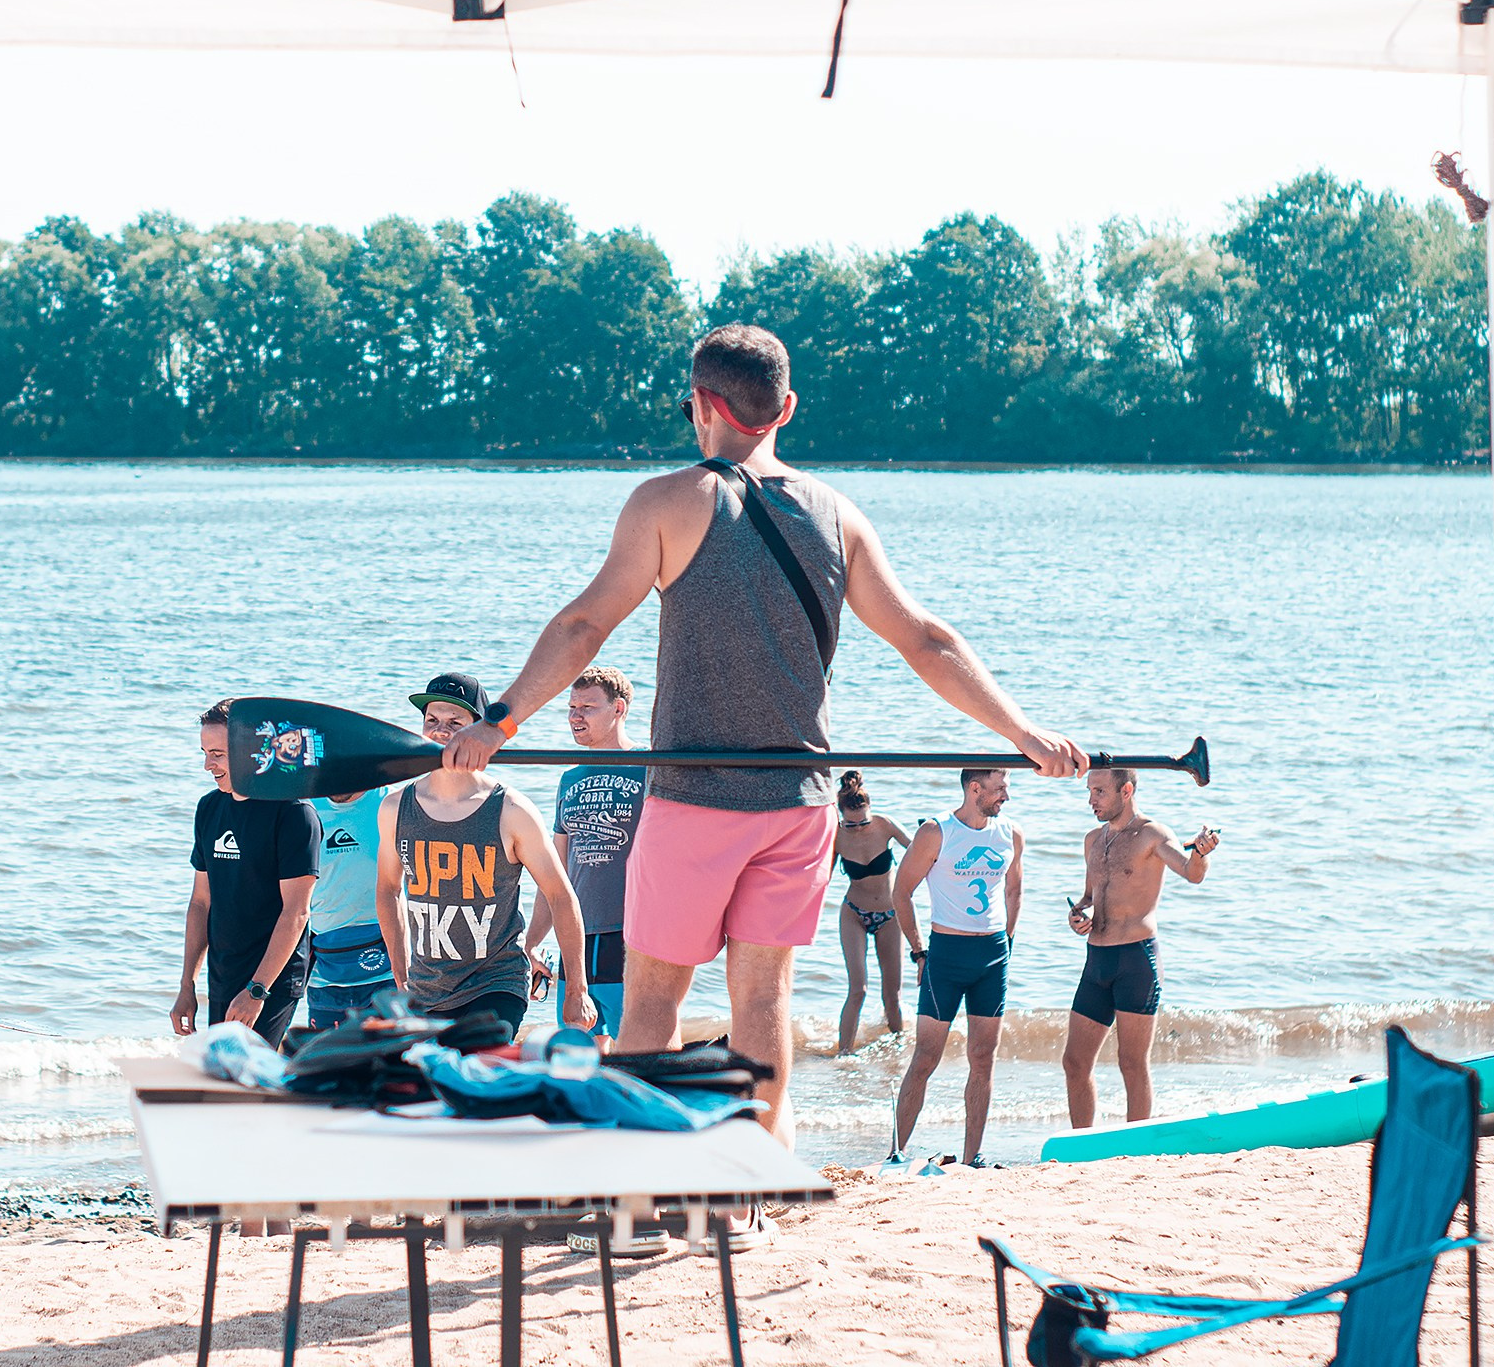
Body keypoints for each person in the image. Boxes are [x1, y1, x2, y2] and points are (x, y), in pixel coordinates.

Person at [441, 322, 1086, 1157]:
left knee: (651, 1006)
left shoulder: (668, 502)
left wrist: (502, 719)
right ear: (785, 408)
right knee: (761, 1006)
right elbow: (926, 640)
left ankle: (644, 1190)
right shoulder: (838, 515)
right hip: (798, 807)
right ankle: (754, 1184)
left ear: (704, 407)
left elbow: (584, 623)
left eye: (690, 408)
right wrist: (1022, 733)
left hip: (693, 802)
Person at [377, 674, 596, 1034]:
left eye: (455, 723)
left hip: (496, 984)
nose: (440, 732)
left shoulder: (511, 810)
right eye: (432, 721)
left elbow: (561, 895)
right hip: (425, 990)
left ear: (478, 732)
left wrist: (576, 988)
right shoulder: (395, 808)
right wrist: (400, 978)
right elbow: (388, 890)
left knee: (477, 1073)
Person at [1061, 769, 1219, 1127]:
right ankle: (1084, 1142)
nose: (1091, 800)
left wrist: (1202, 853)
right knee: (1075, 1062)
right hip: (1096, 960)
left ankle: (1135, 1150)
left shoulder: (1152, 834)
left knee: (1131, 1063)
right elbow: (1089, 897)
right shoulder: (1092, 840)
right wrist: (1077, 915)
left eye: (1099, 792)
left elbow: (1192, 872)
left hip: (1136, 961)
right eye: (1089, 791)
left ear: (1126, 790)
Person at [890, 769, 1023, 1168]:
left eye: (1007, 789)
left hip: (993, 955)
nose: (1006, 797)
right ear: (974, 788)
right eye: (1000, 789)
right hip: (945, 955)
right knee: (925, 1057)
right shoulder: (936, 832)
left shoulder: (1010, 834)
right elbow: (901, 892)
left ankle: (971, 1158)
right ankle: (895, 1152)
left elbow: (1015, 889)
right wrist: (918, 951)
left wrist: (1008, 944)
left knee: (984, 1057)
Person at [173, 698, 316, 1043]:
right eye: (204, 753)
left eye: (218, 754)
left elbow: (296, 912)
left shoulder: (294, 813)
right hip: (223, 973)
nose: (208, 765)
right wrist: (186, 985)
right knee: (224, 1078)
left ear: (253, 752)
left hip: (273, 978)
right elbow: (200, 903)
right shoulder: (209, 808)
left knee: (248, 1080)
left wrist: (257, 991)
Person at [523, 666, 645, 1042]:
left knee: (638, 1050)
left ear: (618, 708)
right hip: (575, 938)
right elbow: (554, 871)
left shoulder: (650, 766)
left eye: (587, 707)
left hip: (630, 936)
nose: (575, 716)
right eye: (572, 707)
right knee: (580, 1050)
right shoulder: (570, 779)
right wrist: (531, 942)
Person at [832, 771, 913, 1054]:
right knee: (858, 990)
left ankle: (898, 1053)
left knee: (892, 995)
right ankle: (843, 1055)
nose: (858, 828)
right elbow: (820, 878)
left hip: (890, 916)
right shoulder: (837, 836)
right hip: (853, 913)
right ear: (840, 815)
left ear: (870, 810)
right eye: (850, 824)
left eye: (863, 821)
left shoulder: (885, 825)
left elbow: (919, 851)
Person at [304, 790, 393, 1031]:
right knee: (329, 1066)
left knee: (394, 1066)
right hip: (325, 972)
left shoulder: (391, 804)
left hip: (388, 970)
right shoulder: (303, 807)